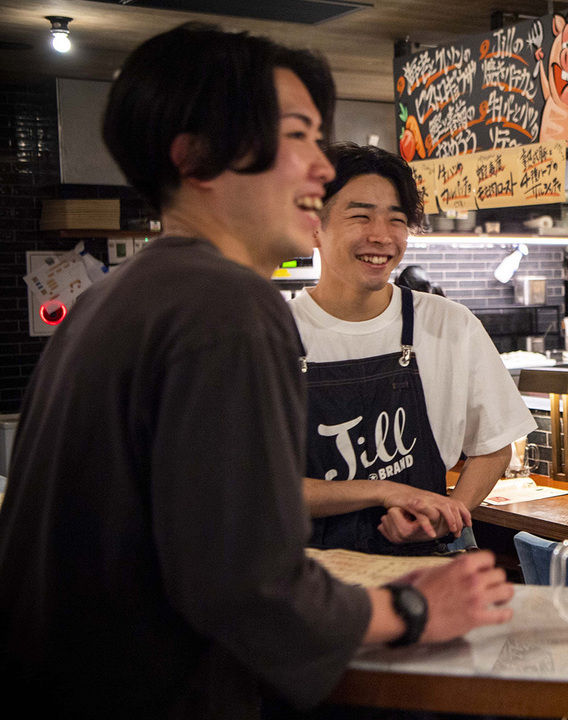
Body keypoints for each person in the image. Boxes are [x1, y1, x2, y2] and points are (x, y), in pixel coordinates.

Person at [0, 25, 513, 716]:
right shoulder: (227, 306)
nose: (322, 169)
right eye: (297, 136)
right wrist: (412, 608)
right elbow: (243, 582)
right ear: (199, 159)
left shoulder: (111, 300)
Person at [292, 142, 536, 556]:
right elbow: (258, 489)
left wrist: (448, 512)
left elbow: (494, 445)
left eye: (396, 220)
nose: (381, 236)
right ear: (315, 226)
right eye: (360, 216)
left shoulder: (449, 324)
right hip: (311, 586)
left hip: (426, 577)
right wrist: (383, 491)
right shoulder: (272, 334)